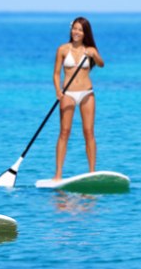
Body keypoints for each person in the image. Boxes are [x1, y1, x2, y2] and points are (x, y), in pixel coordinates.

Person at [53, 17, 104, 180]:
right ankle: (58, 174)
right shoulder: (62, 49)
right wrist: (58, 91)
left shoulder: (90, 50)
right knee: (64, 132)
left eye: (80, 30)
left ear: (85, 33)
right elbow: (56, 73)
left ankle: (91, 172)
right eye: (74, 28)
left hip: (87, 93)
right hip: (67, 93)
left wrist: (94, 55)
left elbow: (102, 64)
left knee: (88, 132)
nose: (76, 32)